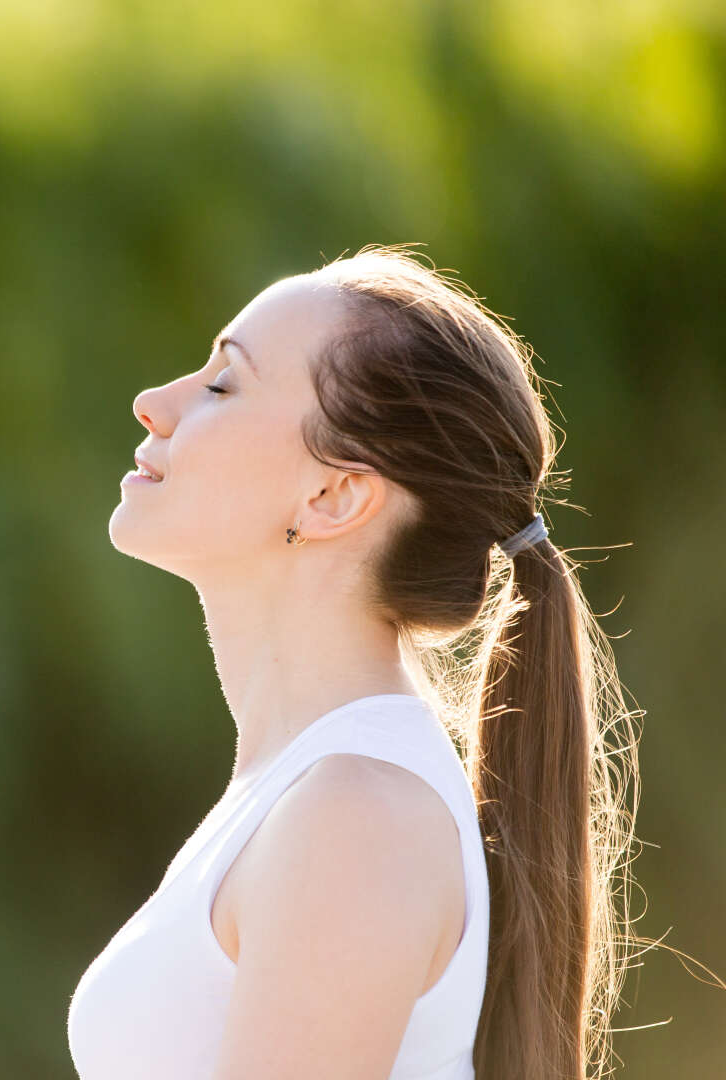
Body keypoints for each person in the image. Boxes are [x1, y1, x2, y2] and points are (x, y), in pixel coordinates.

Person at [67, 244, 643, 1080]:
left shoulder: (355, 815)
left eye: (223, 383)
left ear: (335, 496)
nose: (155, 403)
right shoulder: (310, 793)